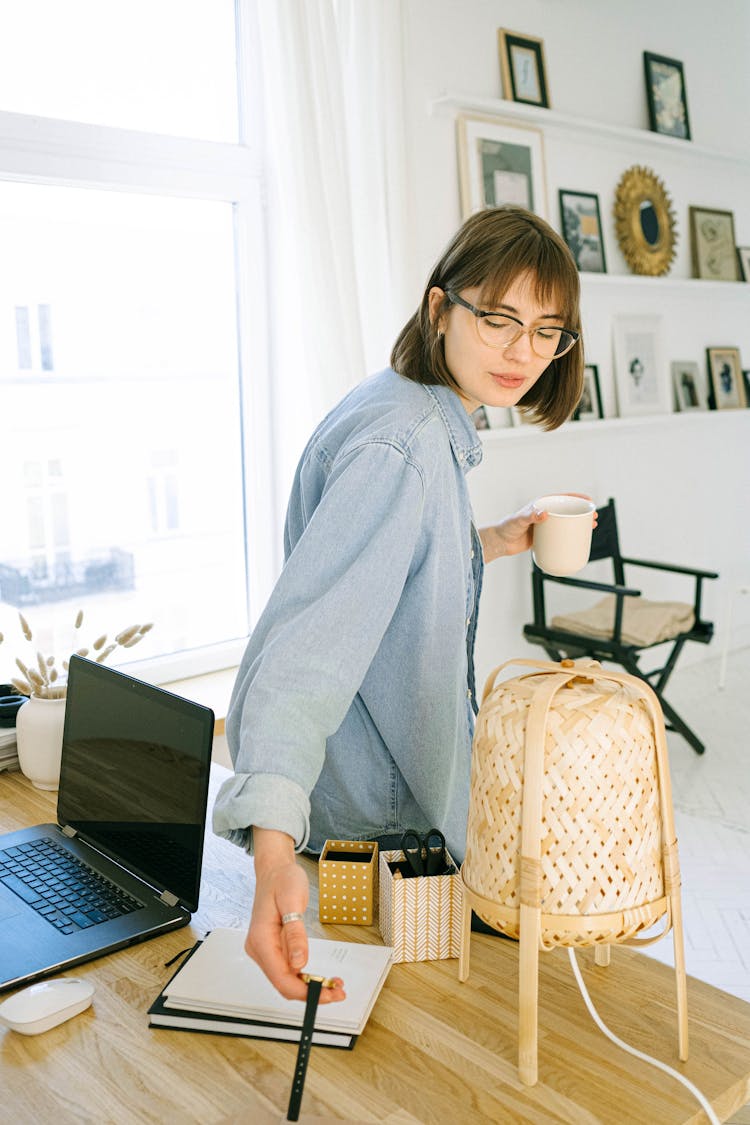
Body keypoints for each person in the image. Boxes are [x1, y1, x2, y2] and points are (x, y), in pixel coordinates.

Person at [213, 205, 584, 1006]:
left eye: (548, 330)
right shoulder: (406, 446)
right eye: (499, 318)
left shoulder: (398, 405)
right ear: (440, 308)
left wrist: (488, 540)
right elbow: (306, 652)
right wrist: (273, 854)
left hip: (380, 814)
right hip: (384, 839)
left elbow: (391, 574)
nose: (525, 351)